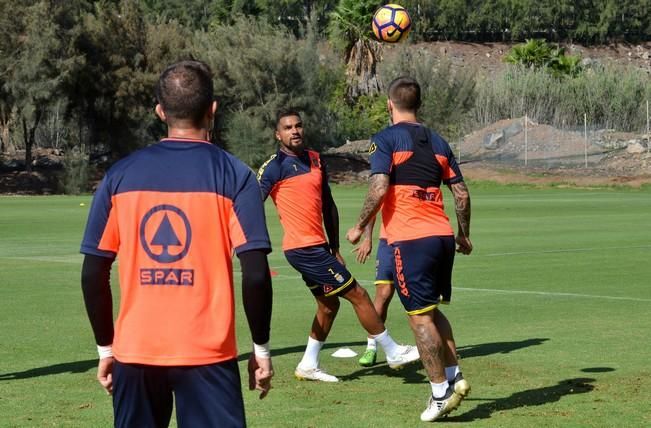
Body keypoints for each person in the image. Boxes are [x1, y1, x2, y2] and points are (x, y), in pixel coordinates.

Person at [80, 60, 274, 428]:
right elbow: (256, 275)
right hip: (207, 355)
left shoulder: (119, 175)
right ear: (212, 110)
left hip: (135, 355)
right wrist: (260, 348)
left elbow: (93, 274)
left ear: (159, 111)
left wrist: (107, 349)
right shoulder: (235, 175)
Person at [257, 109, 419, 383]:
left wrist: (333, 248)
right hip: (302, 248)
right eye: (287, 128)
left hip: (319, 247)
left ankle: (308, 364)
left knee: (329, 304)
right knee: (358, 293)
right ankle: (392, 351)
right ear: (278, 134)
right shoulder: (273, 167)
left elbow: (328, 206)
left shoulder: (316, 159)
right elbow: (251, 204)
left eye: (298, 125)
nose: (294, 131)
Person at [346, 76, 472, 422]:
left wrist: (359, 226)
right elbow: (460, 194)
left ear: (390, 104)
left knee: (418, 320)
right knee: (431, 312)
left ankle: (439, 394)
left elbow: (380, 185)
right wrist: (464, 234)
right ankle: (454, 376)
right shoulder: (440, 142)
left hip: (410, 239)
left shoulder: (385, 139)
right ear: (418, 104)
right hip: (442, 237)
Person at [352, 216, 395, 368]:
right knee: (383, 294)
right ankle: (371, 347)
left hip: (417, 240)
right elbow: (373, 205)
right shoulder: (387, 189)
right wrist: (367, 238)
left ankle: (434, 345)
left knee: (419, 299)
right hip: (388, 241)